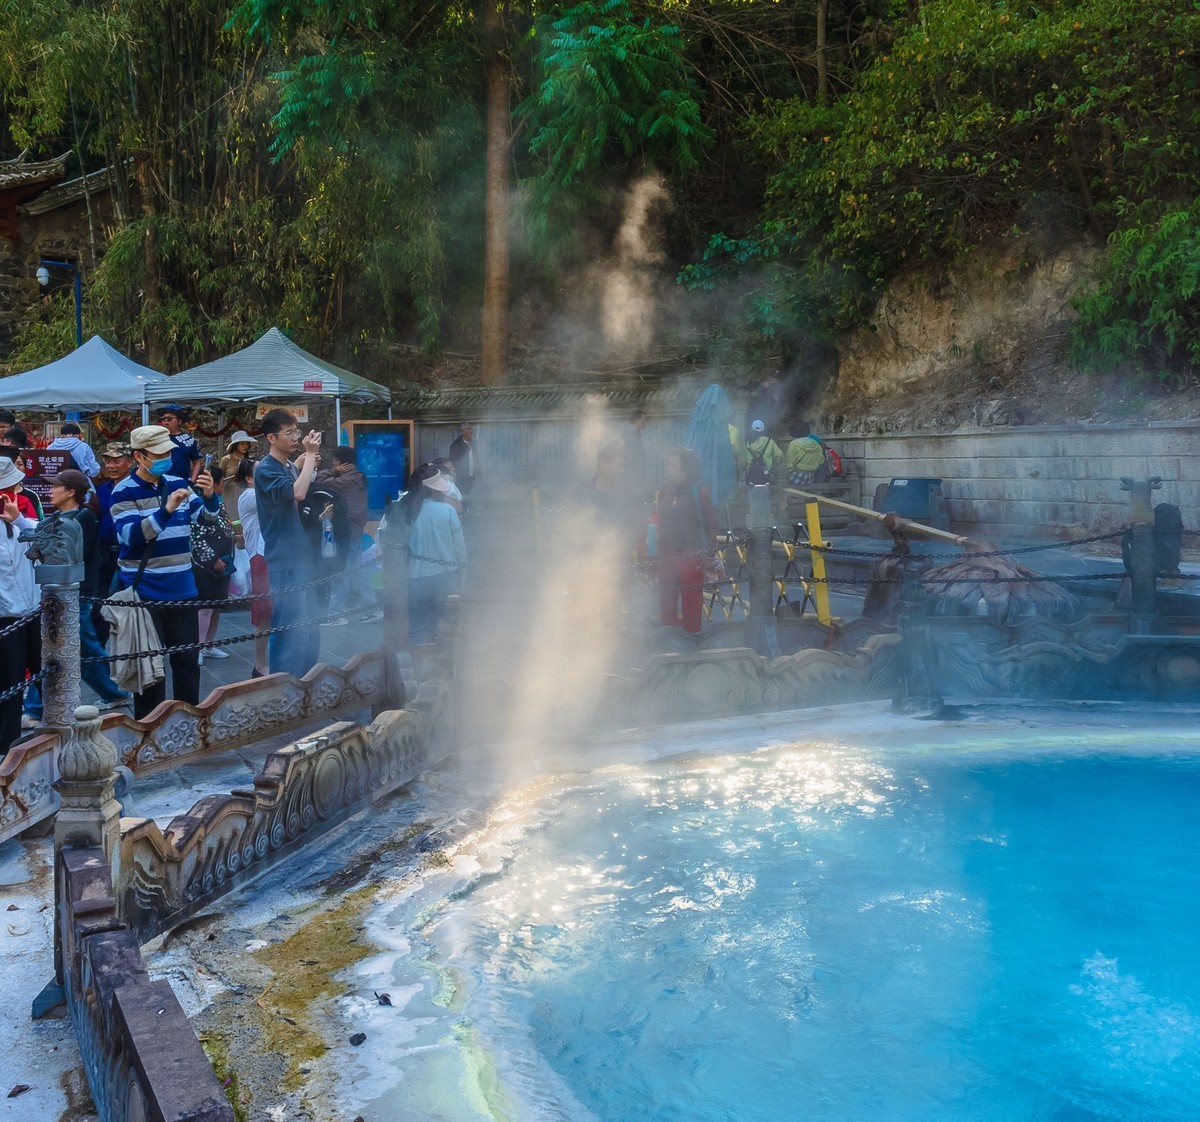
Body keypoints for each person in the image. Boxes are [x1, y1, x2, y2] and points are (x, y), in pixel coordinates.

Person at [110, 424, 221, 718]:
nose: (166, 458)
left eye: (168, 452)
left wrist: (210, 497)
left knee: (187, 662)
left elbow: (207, 521)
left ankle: (188, 722)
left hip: (184, 589)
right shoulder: (123, 492)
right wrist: (167, 510)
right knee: (150, 670)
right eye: (158, 454)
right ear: (139, 456)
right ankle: (148, 729)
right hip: (146, 594)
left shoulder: (177, 481)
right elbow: (132, 536)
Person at [43, 469, 130, 708]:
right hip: (63, 592)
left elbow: (76, 556)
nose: (51, 490)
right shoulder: (64, 517)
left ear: (71, 491)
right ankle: (112, 692)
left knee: (82, 647)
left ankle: (112, 692)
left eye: (56, 486)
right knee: (71, 647)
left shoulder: (84, 518)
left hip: (76, 592)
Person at [255, 409, 323, 678]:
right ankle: (283, 689)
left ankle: (305, 682)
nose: (296, 436)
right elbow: (298, 492)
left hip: (301, 555)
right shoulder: (265, 469)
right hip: (284, 558)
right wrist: (309, 458)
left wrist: (304, 461)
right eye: (289, 432)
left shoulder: (285, 466)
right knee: (289, 627)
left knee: (309, 626)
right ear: (271, 437)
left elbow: (297, 480)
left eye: (297, 431)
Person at [0, 455, 40, 755]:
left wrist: (18, 520)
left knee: (49, 675)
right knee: (9, 686)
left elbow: (50, 545)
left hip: (33, 613)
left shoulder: (23, 519)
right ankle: (7, 747)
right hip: (5, 618)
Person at [400, 464, 466, 643]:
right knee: (443, 627)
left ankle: (418, 667)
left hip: (416, 577)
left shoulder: (405, 510)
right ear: (434, 491)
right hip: (446, 576)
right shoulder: (447, 511)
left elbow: (386, 543)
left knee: (417, 627)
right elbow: (459, 548)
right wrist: (462, 574)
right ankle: (440, 669)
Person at [654, 446, 715, 634]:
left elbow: (711, 525)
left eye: (672, 464)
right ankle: (667, 639)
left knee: (692, 599)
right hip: (667, 553)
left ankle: (693, 638)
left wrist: (710, 555)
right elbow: (658, 517)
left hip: (691, 553)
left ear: (684, 467)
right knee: (666, 599)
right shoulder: (664, 491)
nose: (668, 468)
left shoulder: (699, 492)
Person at [317, 446, 380, 625]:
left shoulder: (346, 480)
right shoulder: (357, 476)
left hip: (347, 530)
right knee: (358, 570)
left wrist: (333, 471)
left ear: (341, 462)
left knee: (341, 569)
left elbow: (320, 481)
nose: (332, 463)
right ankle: (372, 609)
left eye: (335, 461)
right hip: (355, 529)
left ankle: (336, 614)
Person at [192, 465, 236, 664]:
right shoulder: (199, 505)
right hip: (205, 565)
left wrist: (235, 536)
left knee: (217, 606)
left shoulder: (220, 503)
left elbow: (225, 525)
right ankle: (199, 648)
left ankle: (210, 644)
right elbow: (197, 537)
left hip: (224, 561)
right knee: (205, 607)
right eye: (222, 481)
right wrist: (212, 560)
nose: (223, 485)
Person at [91, 443, 132, 643]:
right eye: (108, 461)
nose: (111, 465)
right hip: (104, 553)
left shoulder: (137, 487)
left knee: (129, 604)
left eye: (117, 460)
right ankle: (98, 652)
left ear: (130, 462)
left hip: (129, 554)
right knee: (99, 603)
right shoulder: (103, 489)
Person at [235, 458, 271, 677]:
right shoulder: (249, 496)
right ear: (249, 479)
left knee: (275, 611)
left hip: (272, 555)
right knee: (263, 614)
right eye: (261, 471)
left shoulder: (260, 492)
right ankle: (259, 664)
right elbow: (277, 495)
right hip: (260, 557)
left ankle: (271, 661)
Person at [156, 404, 203, 482]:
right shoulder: (156, 438)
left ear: (179, 421)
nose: (166, 421)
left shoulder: (189, 440)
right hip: (161, 483)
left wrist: (192, 480)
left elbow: (197, 462)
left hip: (182, 482)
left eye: (169, 419)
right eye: (163, 419)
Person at [741, 419, 784, 486]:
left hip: (751, 473)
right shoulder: (769, 441)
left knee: (752, 493)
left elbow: (742, 458)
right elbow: (779, 455)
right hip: (766, 472)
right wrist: (775, 462)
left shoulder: (747, 443)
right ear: (763, 430)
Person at [785, 420, 826, 485]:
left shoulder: (794, 444)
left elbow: (789, 463)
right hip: (811, 477)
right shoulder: (815, 443)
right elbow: (821, 460)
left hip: (797, 477)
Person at [448, 422, 479, 497]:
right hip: (461, 476)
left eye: (470, 428)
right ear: (461, 432)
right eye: (467, 429)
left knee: (470, 494)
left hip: (471, 475)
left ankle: (468, 508)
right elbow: (453, 461)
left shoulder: (473, 442)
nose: (470, 431)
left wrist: (478, 470)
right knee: (462, 495)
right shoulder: (456, 444)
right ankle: (463, 508)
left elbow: (476, 457)